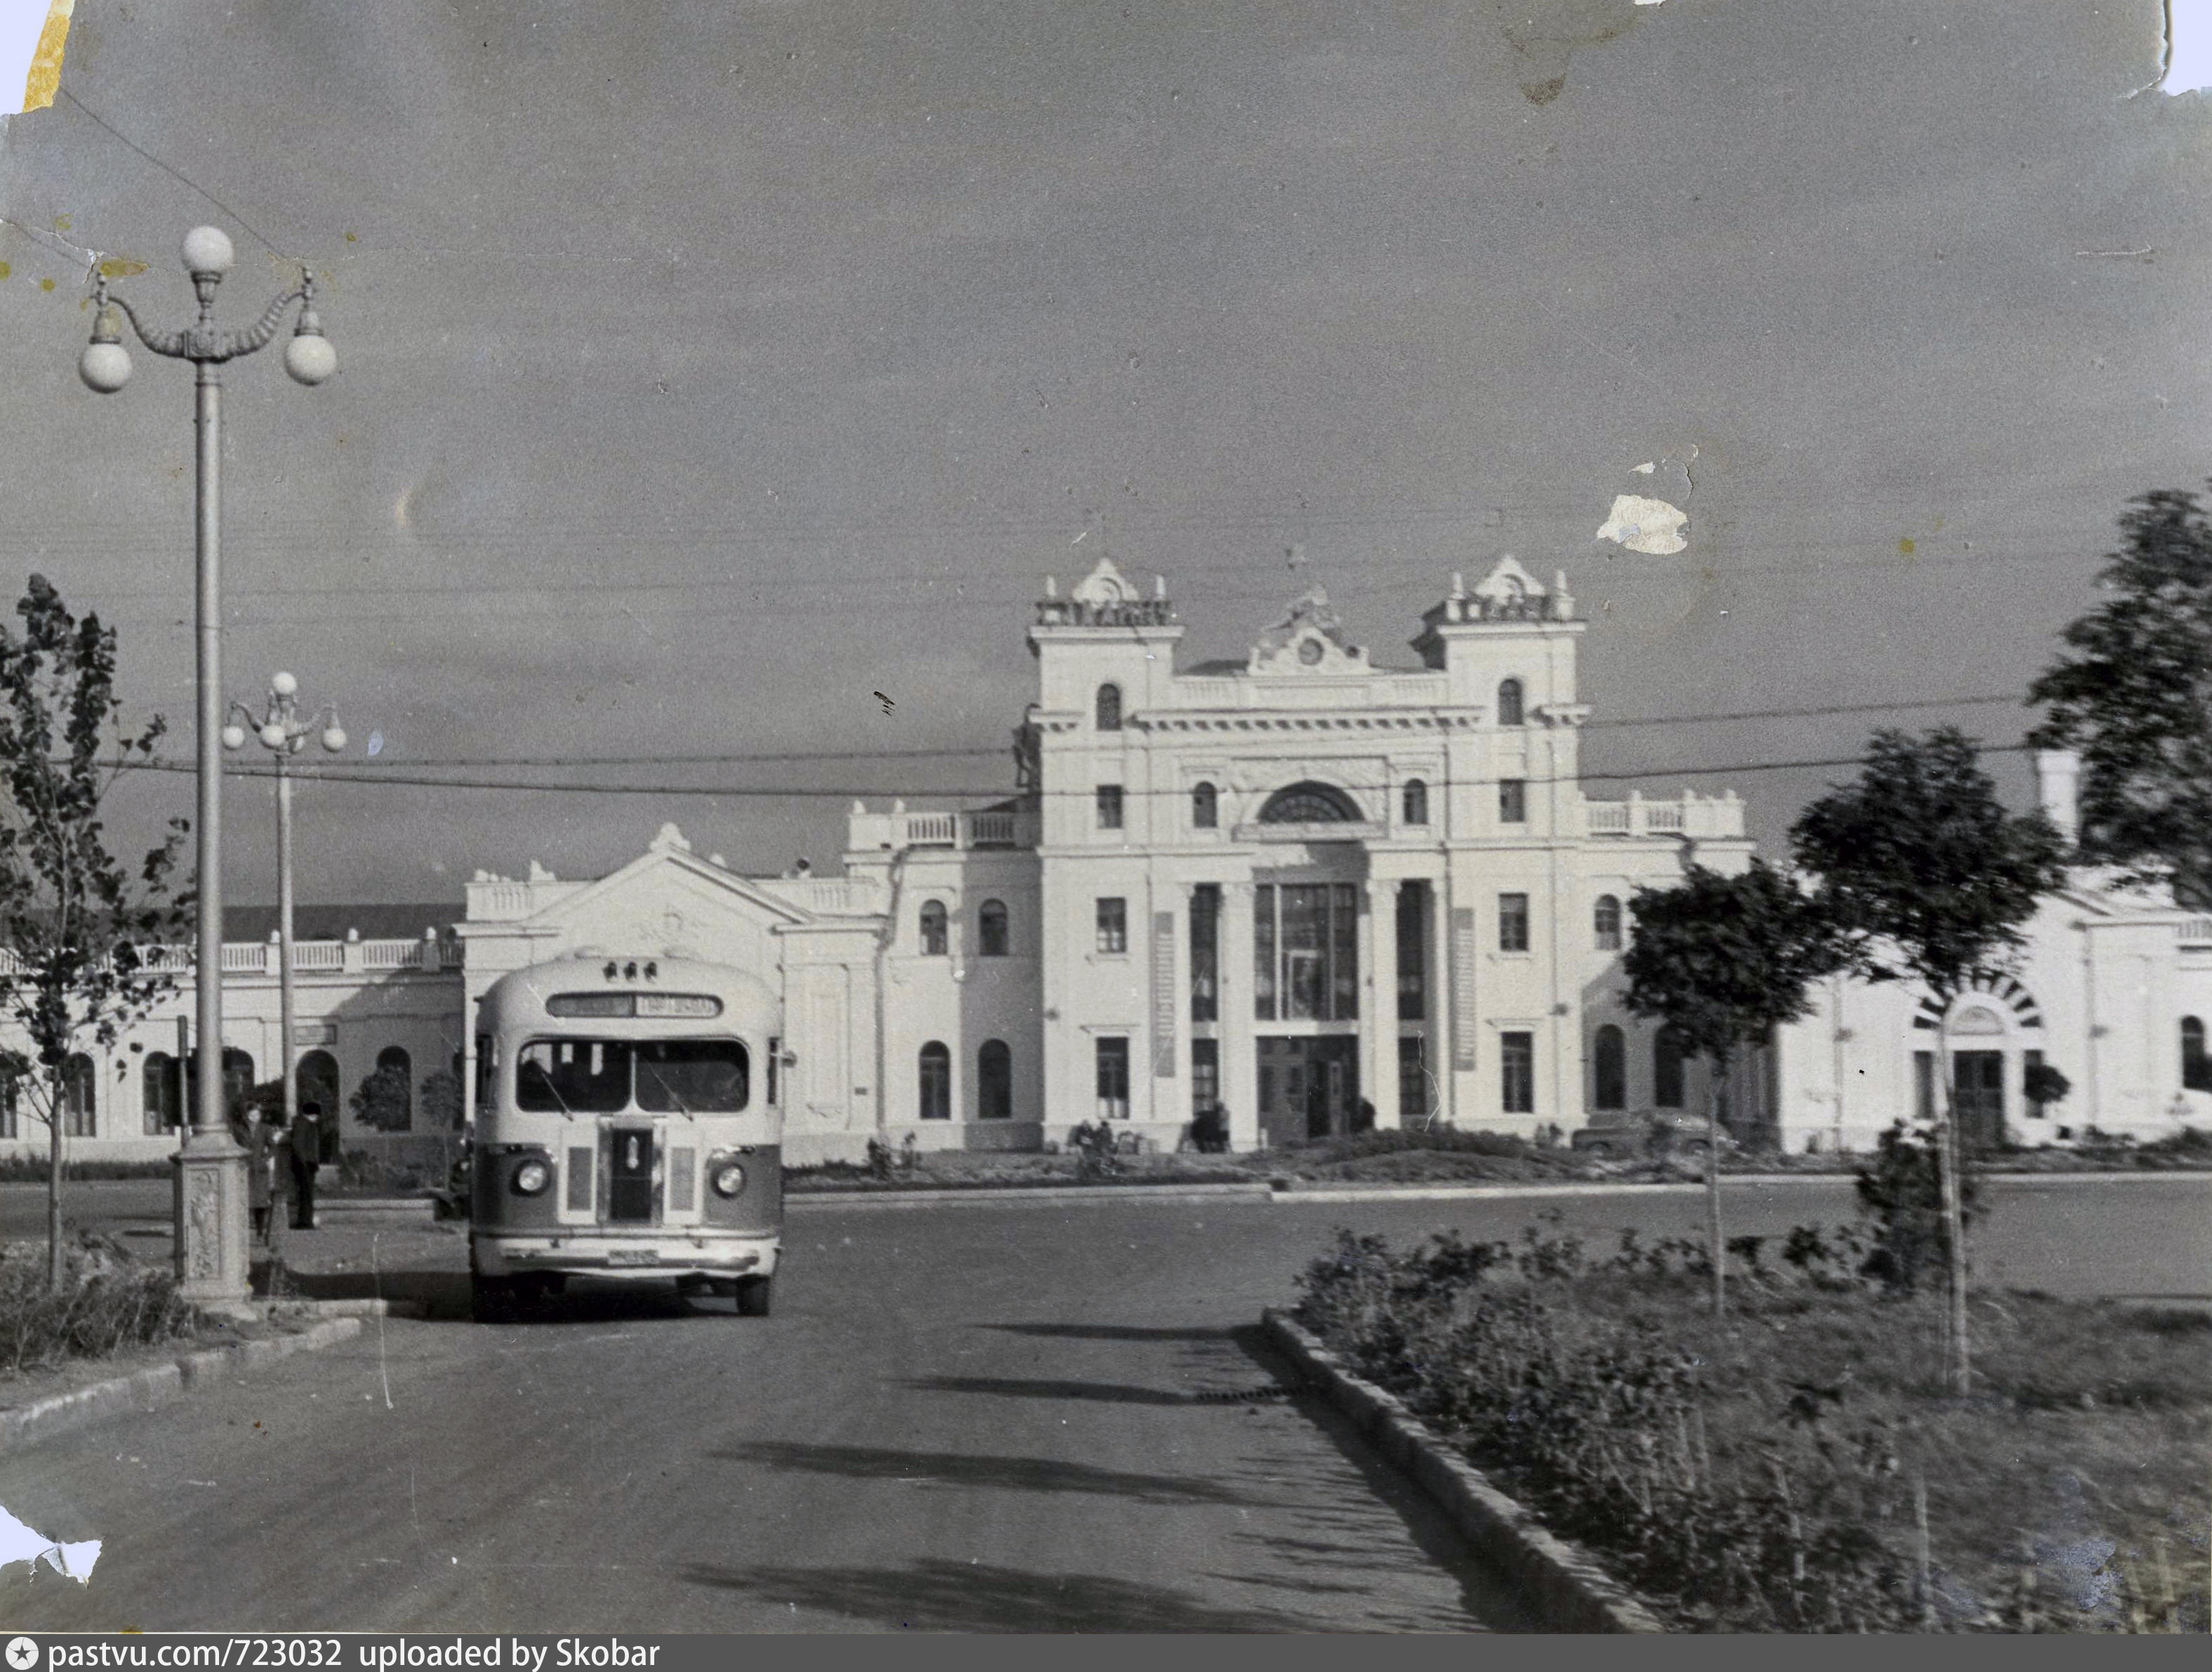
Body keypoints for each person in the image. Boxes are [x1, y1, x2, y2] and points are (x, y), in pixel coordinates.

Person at [288, 1100, 326, 1230]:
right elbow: (298, 1146)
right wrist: (305, 1162)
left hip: (306, 1163)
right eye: (315, 1115)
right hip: (305, 1164)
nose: (316, 1118)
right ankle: (305, 1221)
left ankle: (305, 1220)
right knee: (306, 1194)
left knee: (306, 1193)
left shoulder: (303, 1124)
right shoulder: (304, 1125)